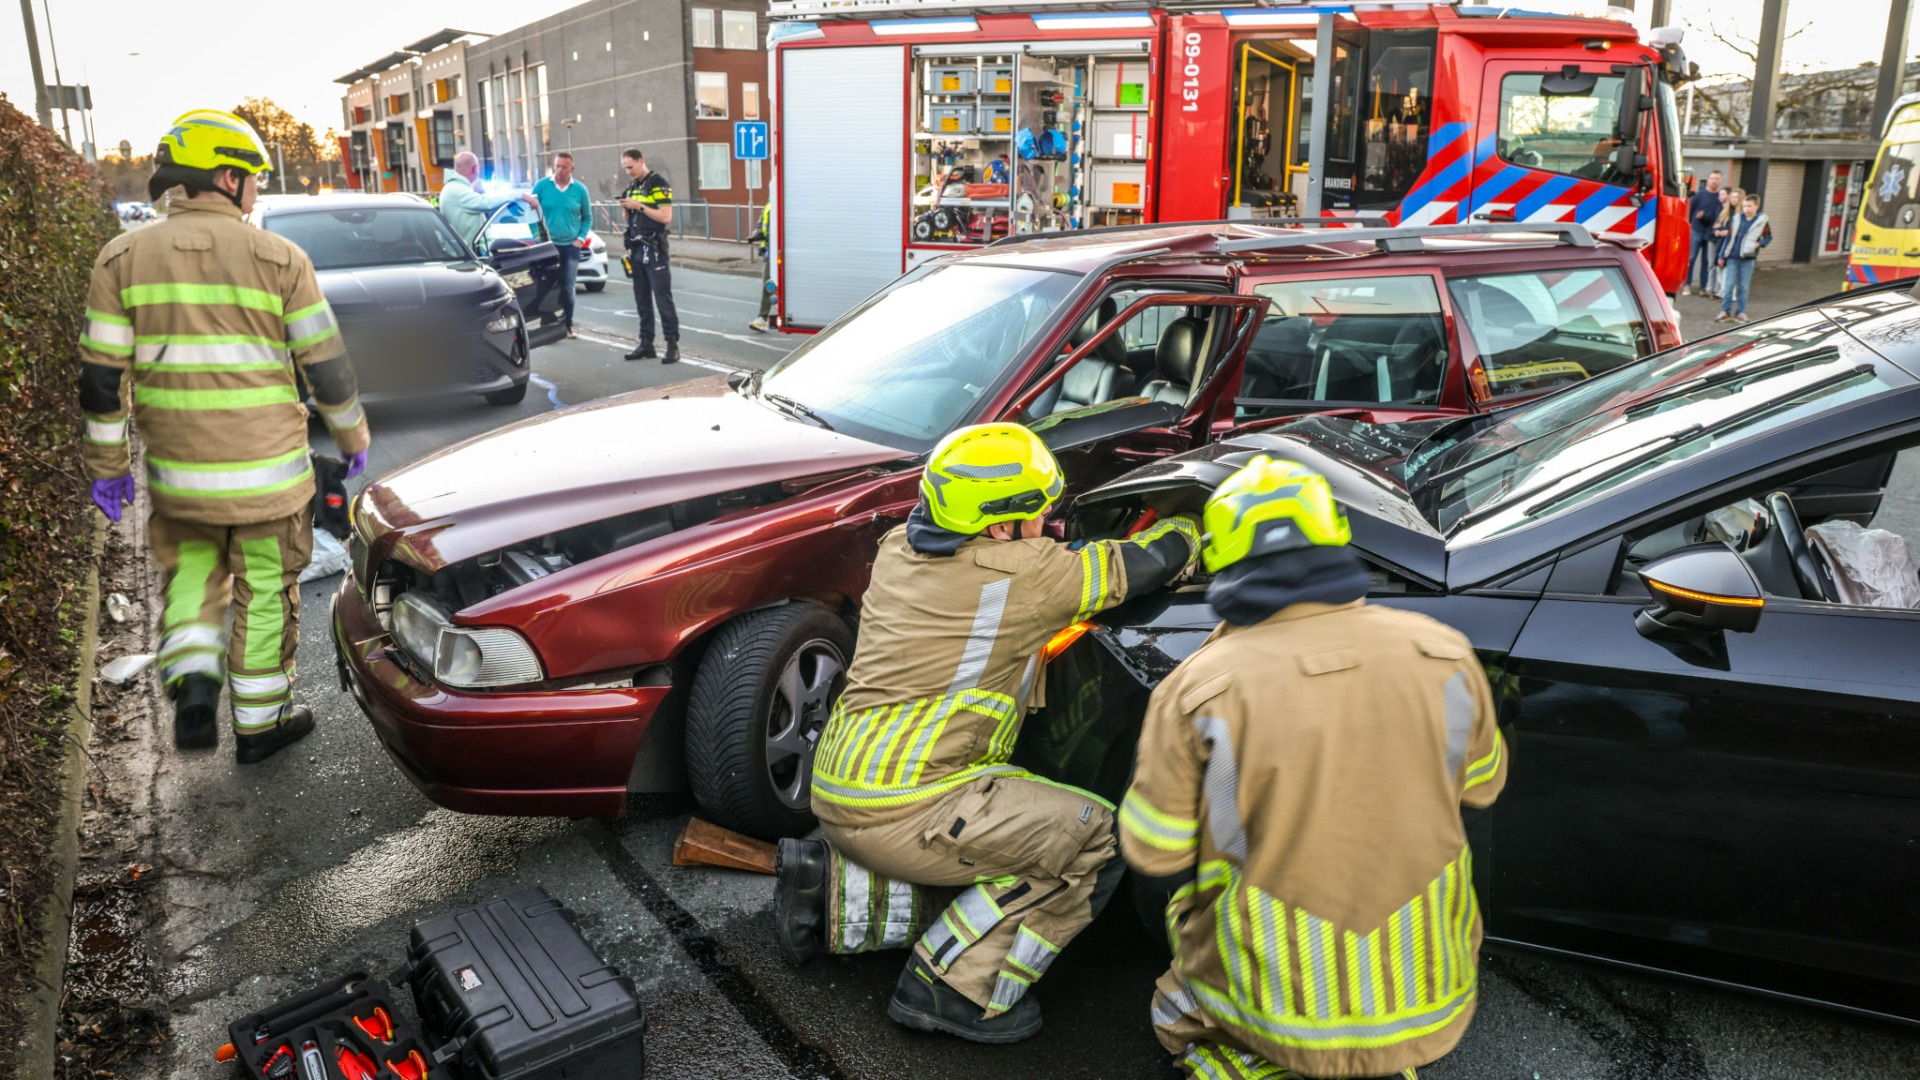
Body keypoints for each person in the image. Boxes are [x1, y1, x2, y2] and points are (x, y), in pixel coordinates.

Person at [774, 423, 1202, 1043]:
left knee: (998, 844)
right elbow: (1145, 564)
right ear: (1000, 526)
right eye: (1038, 515)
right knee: (1095, 838)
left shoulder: (900, 546)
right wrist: (1191, 523)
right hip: (911, 805)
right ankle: (951, 990)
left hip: (844, 782)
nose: (1049, 526)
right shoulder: (1024, 578)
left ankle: (825, 889)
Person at [1121, 455, 1507, 1080]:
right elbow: (1483, 786)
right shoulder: (1444, 653)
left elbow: (1155, 848)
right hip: (1429, 997)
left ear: (1225, 559)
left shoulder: (1201, 687)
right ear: (1335, 539)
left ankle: (1246, 1062)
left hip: (1276, 1002)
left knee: (1173, 1009)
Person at [78, 109, 371, 763]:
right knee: (266, 590)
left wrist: (107, 468)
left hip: (181, 479)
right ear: (227, 176)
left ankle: (194, 682)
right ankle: (260, 726)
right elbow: (327, 367)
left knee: (193, 576)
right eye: (255, 179)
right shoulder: (279, 258)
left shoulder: (120, 258)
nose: (258, 192)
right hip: (269, 478)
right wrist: (353, 438)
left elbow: (101, 384)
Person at [617, 148, 679, 363]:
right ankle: (646, 344)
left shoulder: (657, 183)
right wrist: (627, 210)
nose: (628, 171)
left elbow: (665, 216)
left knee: (663, 299)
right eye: (625, 168)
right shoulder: (632, 186)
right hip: (636, 249)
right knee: (641, 300)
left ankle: (672, 345)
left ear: (641, 161)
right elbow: (633, 219)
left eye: (631, 167)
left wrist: (639, 206)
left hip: (654, 251)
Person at [532, 151, 594, 339]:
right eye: (556, 166)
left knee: (568, 286)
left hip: (570, 246)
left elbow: (587, 217)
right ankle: (547, 323)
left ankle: (567, 324)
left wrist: (580, 239)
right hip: (547, 246)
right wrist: (537, 237)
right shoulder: (542, 186)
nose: (559, 170)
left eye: (563, 167)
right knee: (545, 286)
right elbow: (530, 213)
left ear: (571, 169)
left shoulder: (580, 190)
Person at [439, 151, 532, 248]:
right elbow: (485, 203)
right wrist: (518, 195)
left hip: (464, 252)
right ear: (475, 168)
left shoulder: (453, 188)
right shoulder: (457, 190)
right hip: (469, 254)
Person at [1716, 193, 1770, 324]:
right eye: (1744, 206)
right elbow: (1729, 238)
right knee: (1728, 285)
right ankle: (1725, 311)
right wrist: (1722, 255)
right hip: (1733, 257)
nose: (1746, 209)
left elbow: (1768, 237)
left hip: (1748, 258)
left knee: (1744, 286)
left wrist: (1759, 244)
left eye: (1749, 206)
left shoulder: (1761, 221)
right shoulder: (1736, 219)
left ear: (1757, 206)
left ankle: (1740, 312)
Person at [1684, 170, 1723, 297]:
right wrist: (1693, 222)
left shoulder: (1720, 198)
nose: (1714, 180)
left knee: (1707, 261)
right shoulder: (1699, 195)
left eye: (1717, 178)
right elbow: (1690, 211)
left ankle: (1704, 286)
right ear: (1708, 179)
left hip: (1711, 233)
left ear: (1720, 181)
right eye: (1712, 178)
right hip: (1697, 231)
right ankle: (1687, 285)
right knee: (1691, 258)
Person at [747, 191, 774, 333]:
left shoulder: (773, 205)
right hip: (771, 252)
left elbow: (768, 230)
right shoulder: (770, 205)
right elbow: (762, 227)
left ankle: (763, 319)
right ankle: (763, 318)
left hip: (776, 253)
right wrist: (755, 236)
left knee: (770, 286)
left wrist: (757, 236)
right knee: (769, 286)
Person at [1709, 188, 1742, 300]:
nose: (1733, 199)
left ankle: (1731, 294)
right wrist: (1717, 231)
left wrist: (1728, 231)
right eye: (1732, 197)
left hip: (1734, 245)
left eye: (1736, 197)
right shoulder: (1725, 212)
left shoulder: (1741, 214)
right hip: (1721, 242)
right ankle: (1722, 291)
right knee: (1720, 267)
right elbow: (1715, 226)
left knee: (1730, 269)